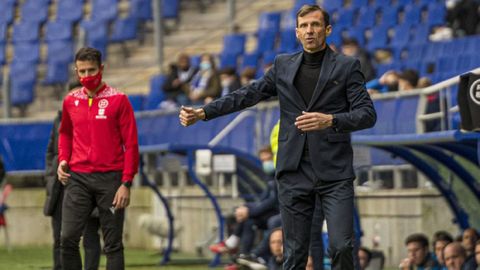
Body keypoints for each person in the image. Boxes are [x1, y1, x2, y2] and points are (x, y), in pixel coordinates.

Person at [179, 4, 376, 269]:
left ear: (327, 30)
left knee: (341, 246)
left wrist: (330, 120)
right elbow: (248, 94)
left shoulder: (347, 66)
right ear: (297, 32)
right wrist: (204, 112)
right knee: (294, 253)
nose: (310, 31)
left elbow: (367, 114)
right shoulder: (283, 65)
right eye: (304, 26)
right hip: (293, 171)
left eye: (316, 25)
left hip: (334, 171)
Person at [57, 47, 139, 270]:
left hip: (111, 182)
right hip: (77, 179)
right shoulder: (70, 100)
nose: (86, 77)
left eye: (91, 70)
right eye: (81, 72)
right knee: (67, 239)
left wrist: (126, 183)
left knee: (112, 244)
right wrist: (63, 158)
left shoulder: (119, 100)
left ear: (101, 69)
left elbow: (131, 144)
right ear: (76, 71)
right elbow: (65, 132)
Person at [44, 107, 102, 270]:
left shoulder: (97, 117)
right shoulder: (59, 119)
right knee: (61, 237)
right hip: (59, 187)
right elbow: (50, 151)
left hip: (87, 184)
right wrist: (50, 176)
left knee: (90, 236)